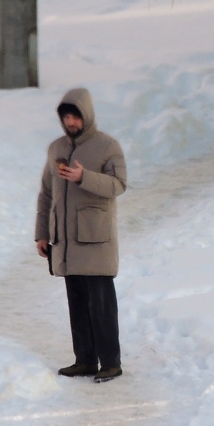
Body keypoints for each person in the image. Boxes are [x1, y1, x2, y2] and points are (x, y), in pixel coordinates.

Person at [35, 87, 128, 383]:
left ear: (87, 115)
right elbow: (46, 194)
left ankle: (111, 363)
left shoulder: (107, 146)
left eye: (76, 116)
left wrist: (83, 177)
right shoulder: (56, 149)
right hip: (66, 243)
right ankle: (85, 360)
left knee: (101, 306)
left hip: (96, 240)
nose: (71, 122)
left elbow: (118, 185)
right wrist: (41, 235)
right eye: (67, 118)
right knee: (77, 305)